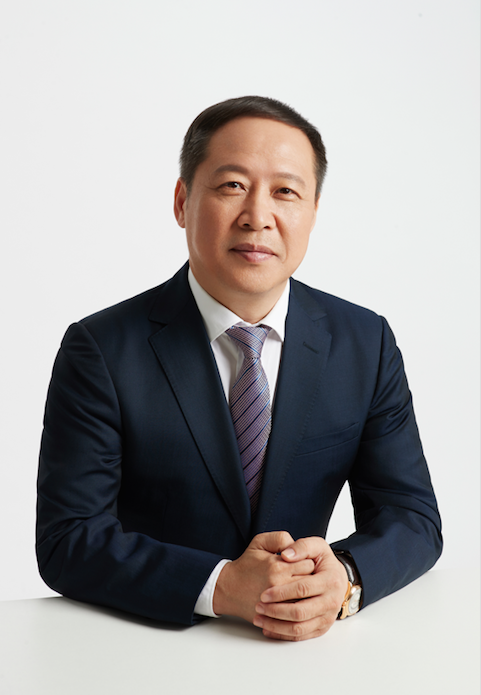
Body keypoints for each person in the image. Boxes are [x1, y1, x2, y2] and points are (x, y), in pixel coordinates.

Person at [36, 96, 442, 642]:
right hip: (148, 651)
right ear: (182, 202)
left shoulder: (364, 343)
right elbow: (67, 539)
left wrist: (345, 577)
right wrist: (222, 586)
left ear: (313, 211)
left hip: (307, 658)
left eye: (285, 192)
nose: (258, 216)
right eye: (232, 185)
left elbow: (412, 517)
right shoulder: (102, 350)